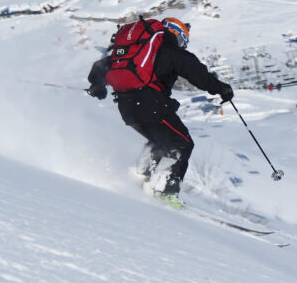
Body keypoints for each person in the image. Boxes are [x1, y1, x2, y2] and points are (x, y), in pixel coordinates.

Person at [86, 17, 233, 197]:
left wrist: (97, 85)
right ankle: (165, 191)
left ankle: (139, 176)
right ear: (175, 34)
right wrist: (221, 88)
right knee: (182, 144)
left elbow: (101, 66)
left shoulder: (137, 50)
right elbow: (197, 73)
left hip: (127, 108)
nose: (181, 46)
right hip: (151, 104)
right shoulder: (170, 50)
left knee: (161, 141)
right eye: (182, 41)